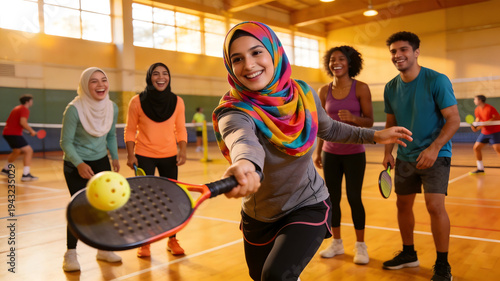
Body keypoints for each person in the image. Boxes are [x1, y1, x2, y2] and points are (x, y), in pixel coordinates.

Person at [212, 21, 413, 281]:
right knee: (260, 276)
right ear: (230, 65)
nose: (249, 65)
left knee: (275, 275)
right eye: (237, 58)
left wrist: (374, 135)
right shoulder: (233, 110)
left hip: (307, 203)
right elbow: (242, 140)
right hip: (258, 214)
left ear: (274, 51)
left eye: (256, 52)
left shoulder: (303, 94)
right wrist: (245, 164)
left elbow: (329, 129)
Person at [381, 31, 460, 281]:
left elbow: (454, 119)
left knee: (434, 206)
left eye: (403, 50)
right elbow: (391, 123)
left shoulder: (437, 80)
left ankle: (442, 264)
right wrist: (387, 152)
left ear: (416, 52)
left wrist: (434, 148)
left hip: (436, 154)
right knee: (402, 204)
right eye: (393, 51)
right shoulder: (390, 87)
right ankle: (408, 254)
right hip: (405, 156)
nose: (397, 55)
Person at [314, 46, 374, 264]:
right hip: (331, 153)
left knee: (355, 198)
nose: (335, 62)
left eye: (341, 59)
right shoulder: (323, 91)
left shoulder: (361, 88)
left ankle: (361, 246)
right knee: (332, 200)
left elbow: (369, 122)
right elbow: (322, 125)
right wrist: (318, 151)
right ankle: (336, 243)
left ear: (350, 63)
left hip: (354, 153)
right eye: (332, 59)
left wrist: (353, 118)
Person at [60, 67, 122, 271]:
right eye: (94, 81)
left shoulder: (112, 107)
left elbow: (111, 135)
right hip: (75, 163)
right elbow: (65, 143)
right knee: (78, 209)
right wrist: (79, 163)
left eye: (103, 80)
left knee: (104, 206)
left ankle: (103, 248)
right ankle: (70, 253)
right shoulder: (74, 109)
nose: (100, 84)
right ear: (85, 85)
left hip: (101, 162)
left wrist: (114, 157)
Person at [124, 62, 187, 257]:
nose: (161, 77)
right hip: (144, 155)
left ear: (169, 77)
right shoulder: (136, 101)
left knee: (172, 198)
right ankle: (146, 241)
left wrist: (182, 149)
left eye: (165, 73)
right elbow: (130, 129)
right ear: (150, 77)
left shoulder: (178, 102)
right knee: (145, 200)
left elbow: (180, 128)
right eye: (156, 74)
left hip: (169, 156)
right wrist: (130, 154)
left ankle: (173, 239)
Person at [1, 94, 39, 181]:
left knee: (17, 151)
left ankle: (6, 169)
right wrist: (31, 131)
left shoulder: (17, 108)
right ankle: (26, 174)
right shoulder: (24, 109)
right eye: (31, 100)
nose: (32, 102)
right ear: (28, 101)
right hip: (13, 134)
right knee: (29, 151)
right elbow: (23, 122)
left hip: (7, 133)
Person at [469, 94, 500, 174]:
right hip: (485, 132)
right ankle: (480, 168)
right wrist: (475, 125)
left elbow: (494, 119)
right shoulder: (477, 109)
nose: (474, 101)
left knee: (498, 149)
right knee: (476, 148)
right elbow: (478, 119)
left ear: (480, 100)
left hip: (495, 132)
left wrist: (481, 126)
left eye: (475, 99)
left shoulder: (490, 108)